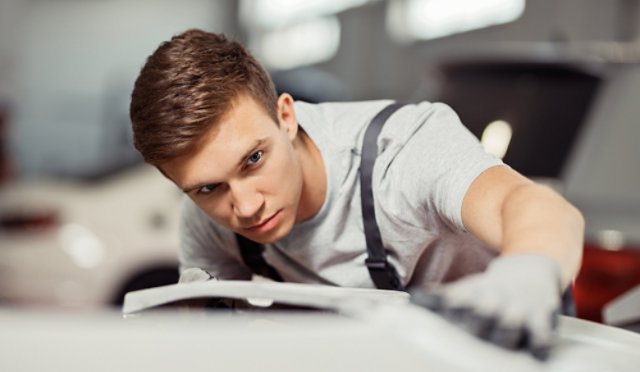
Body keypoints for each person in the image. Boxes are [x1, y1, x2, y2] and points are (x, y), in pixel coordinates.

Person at [129, 29, 584, 359]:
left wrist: (529, 272)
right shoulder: (206, 221)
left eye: (253, 160)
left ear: (285, 117)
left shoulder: (402, 151)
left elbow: (532, 205)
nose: (246, 207)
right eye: (209, 188)